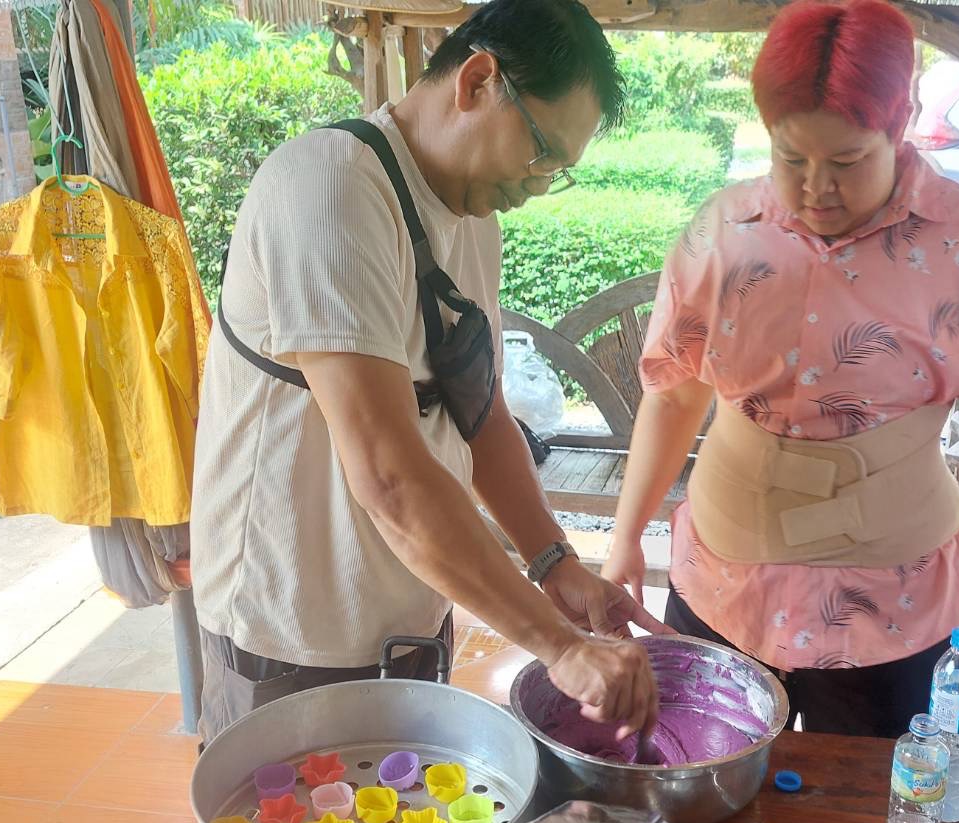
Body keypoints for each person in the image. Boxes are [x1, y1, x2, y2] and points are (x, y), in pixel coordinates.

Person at [602, 0, 959, 738]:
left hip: (888, 612)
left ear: (899, 126)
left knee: (869, 818)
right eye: (789, 158)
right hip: (722, 590)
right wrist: (621, 540)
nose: (814, 188)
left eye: (845, 161)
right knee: (702, 789)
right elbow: (675, 394)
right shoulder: (722, 232)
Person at [191, 0, 663, 744]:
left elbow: (481, 415)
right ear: (477, 81)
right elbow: (387, 475)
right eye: (540, 152)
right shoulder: (331, 189)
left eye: (559, 172)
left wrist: (555, 566)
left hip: (410, 613)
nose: (538, 185)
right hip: (290, 637)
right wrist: (560, 646)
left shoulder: (473, 223)